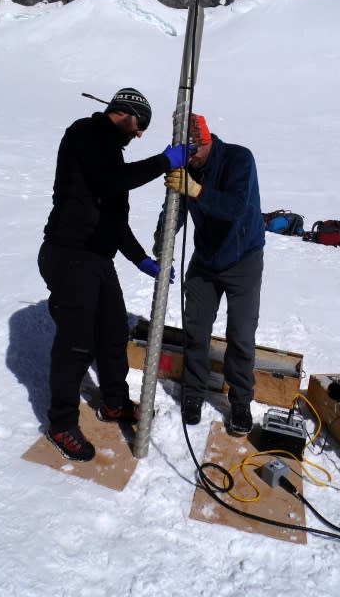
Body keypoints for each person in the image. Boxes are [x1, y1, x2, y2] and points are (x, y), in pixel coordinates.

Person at [38, 88, 188, 462]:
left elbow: (115, 223)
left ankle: (115, 403)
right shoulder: (86, 134)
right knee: (76, 342)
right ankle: (60, 423)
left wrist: (142, 261)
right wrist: (162, 163)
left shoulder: (111, 157)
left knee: (112, 332)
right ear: (125, 112)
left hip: (96, 258)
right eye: (142, 125)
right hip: (69, 252)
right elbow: (110, 180)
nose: (140, 135)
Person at [158, 114, 265, 436]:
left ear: (205, 141)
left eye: (192, 151)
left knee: (241, 335)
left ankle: (241, 400)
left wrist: (197, 190)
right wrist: (162, 241)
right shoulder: (185, 167)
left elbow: (234, 207)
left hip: (243, 258)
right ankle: (193, 393)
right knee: (196, 329)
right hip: (205, 259)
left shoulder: (239, 158)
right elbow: (173, 209)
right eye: (183, 153)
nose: (188, 158)